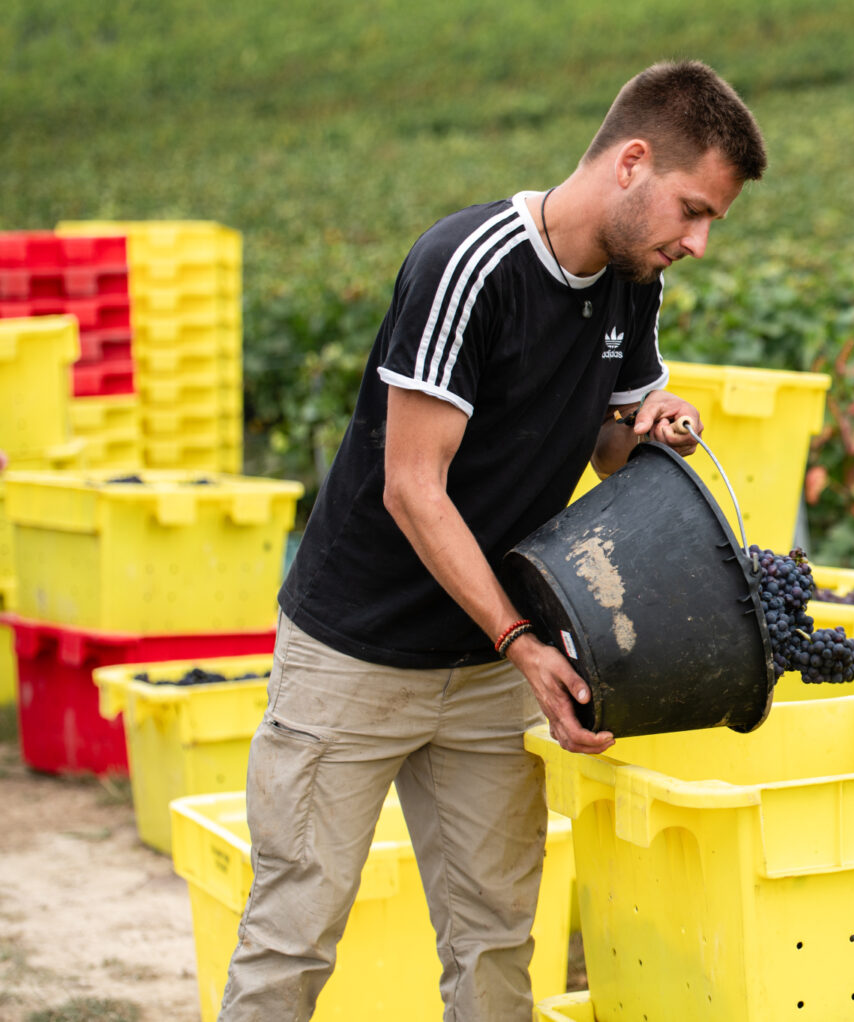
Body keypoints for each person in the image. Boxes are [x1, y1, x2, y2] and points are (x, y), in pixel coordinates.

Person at [220, 60, 767, 1021]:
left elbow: (606, 443)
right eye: (693, 210)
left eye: (711, 220)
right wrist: (524, 643)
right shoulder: (469, 265)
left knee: (495, 945)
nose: (700, 241)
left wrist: (649, 426)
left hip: (485, 666)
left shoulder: (635, 280)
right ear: (631, 162)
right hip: (357, 656)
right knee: (292, 940)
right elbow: (412, 487)